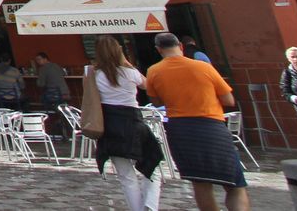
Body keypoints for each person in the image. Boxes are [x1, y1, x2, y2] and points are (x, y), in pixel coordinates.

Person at [145, 32, 249, 211]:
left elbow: (157, 101)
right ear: (181, 46)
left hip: (181, 129)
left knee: (200, 184)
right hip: (211, 126)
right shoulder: (203, 67)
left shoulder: (153, 71)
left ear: (158, 50)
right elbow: (228, 100)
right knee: (235, 184)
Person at [93, 36, 163, 211]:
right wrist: (127, 62)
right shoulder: (130, 73)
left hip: (110, 125)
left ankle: (138, 209)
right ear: (119, 51)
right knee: (152, 164)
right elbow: (147, 85)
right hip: (132, 121)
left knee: (126, 176)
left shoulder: (96, 75)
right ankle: (150, 205)